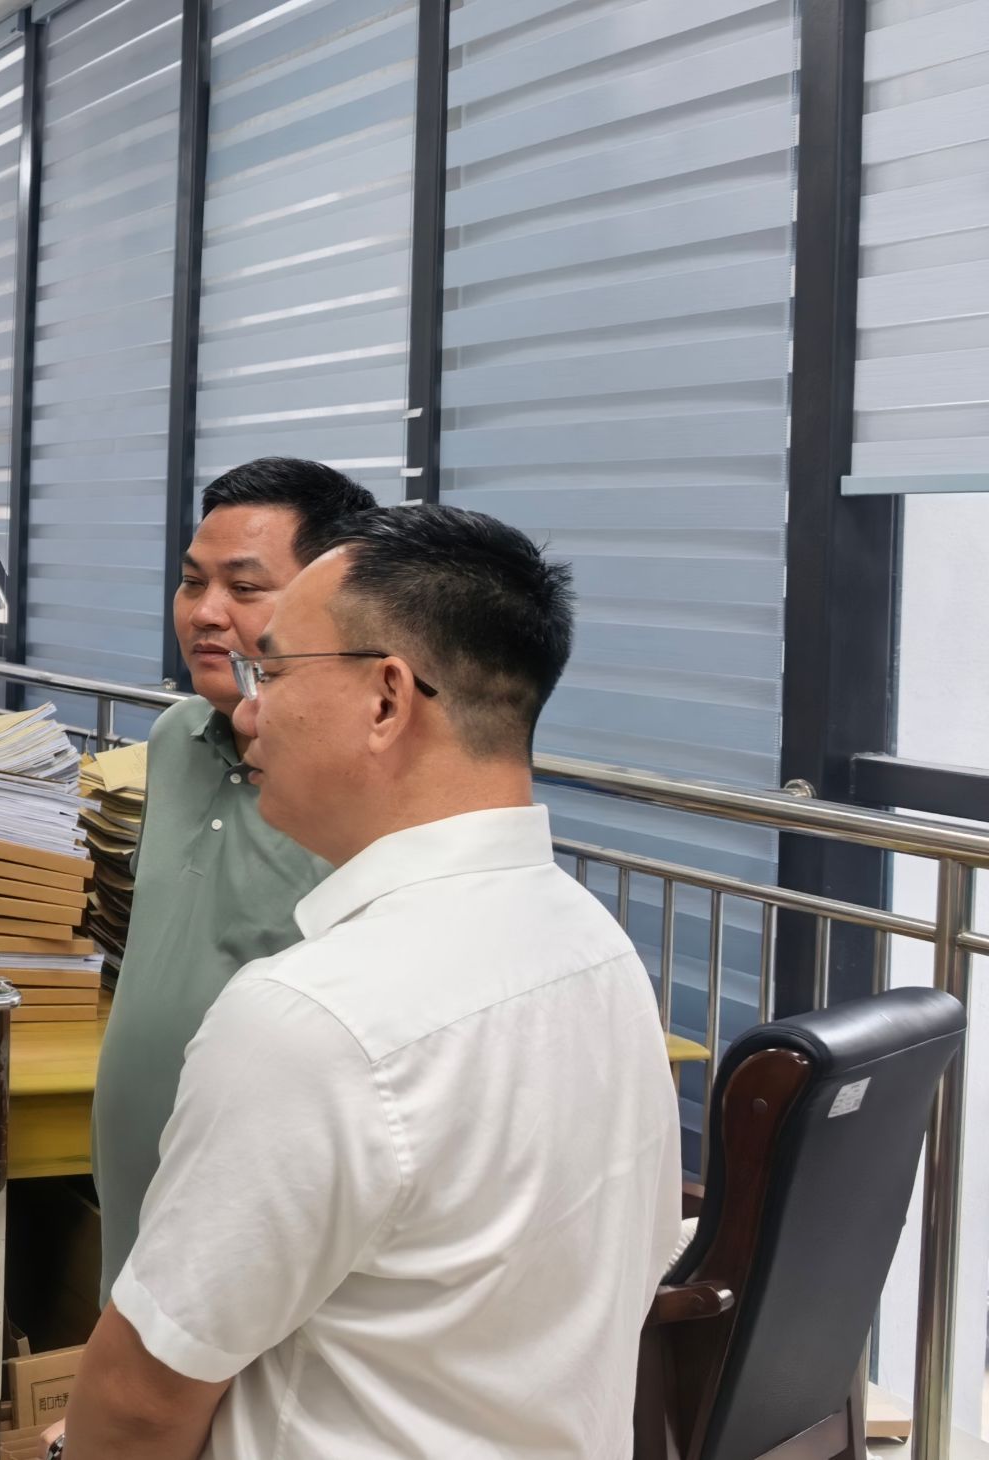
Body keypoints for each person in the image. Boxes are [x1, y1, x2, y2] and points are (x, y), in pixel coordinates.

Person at [46, 505, 682, 1460]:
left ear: (387, 699)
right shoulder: (598, 949)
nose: (248, 710)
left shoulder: (313, 1020)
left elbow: (142, 1401)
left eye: (272, 673)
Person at [91, 457, 379, 1301]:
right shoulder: (174, 739)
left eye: (245, 588)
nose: (204, 613)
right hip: (135, 1187)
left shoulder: (354, 791)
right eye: (192, 581)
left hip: (259, 1213)